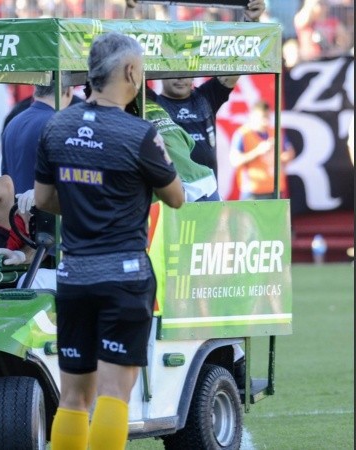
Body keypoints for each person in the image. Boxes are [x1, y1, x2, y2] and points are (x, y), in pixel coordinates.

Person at [34, 32, 184, 450]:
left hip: (74, 276)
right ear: (132, 72)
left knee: (74, 399)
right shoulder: (140, 134)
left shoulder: (56, 126)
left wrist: (85, 201)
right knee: (114, 395)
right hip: (124, 276)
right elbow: (176, 198)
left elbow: (45, 199)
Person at [131, 0, 265, 181]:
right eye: (174, 72)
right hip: (171, 198)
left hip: (208, 196)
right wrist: (130, 9)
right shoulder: (152, 103)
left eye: (185, 72)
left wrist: (251, 21)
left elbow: (238, 62)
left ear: (194, 76)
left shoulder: (206, 98)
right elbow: (130, 64)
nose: (180, 78)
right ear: (161, 73)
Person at [1, 77, 74, 212]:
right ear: (69, 91)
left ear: (36, 89)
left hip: (16, 221)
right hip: (49, 222)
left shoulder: (13, 123)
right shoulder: (58, 125)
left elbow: (4, 178)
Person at [230, 101, 296, 200]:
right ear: (252, 116)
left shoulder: (275, 132)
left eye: (268, 117)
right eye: (262, 117)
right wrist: (258, 151)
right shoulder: (242, 134)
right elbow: (235, 161)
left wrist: (277, 158)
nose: (265, 121)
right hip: (253, 192)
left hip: (276, 188)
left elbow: (290, 153)